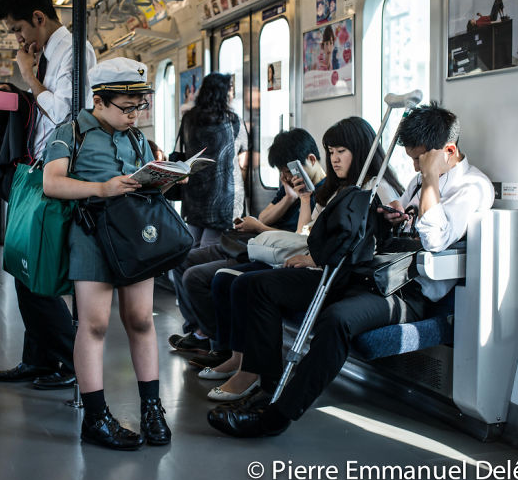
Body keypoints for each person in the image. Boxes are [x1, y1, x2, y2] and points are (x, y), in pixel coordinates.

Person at [207, 104, 494, 437]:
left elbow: (434, 239)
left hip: (407, 292)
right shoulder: (419, 180)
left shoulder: (472, 188)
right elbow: (405, 226)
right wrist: (393, 216)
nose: (415, 167)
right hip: (374, 274)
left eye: (420, 160)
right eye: (413, 160)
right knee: (257, 287)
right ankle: (268, 390)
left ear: (448, 151)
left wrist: (430, 178)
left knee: (338, 319)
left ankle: (275, 417)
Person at [201, 117, 403, 401]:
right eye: (330, 152)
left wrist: (312, 258)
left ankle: (256, 376)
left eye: (341, 151)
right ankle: (257, 373)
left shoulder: (376, 188)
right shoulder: (337, 188)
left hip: (340, 276)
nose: (334, 159)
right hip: (321, 266)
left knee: (253, 286)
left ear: (360, 150)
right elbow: (312, 233)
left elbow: (361, 246)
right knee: (247, 284)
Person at [43, 57, 170, 450]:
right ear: (99, 101)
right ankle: (96, 417)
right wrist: (102, 189)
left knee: (140, 320)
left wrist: (161, 177)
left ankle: (151, 408)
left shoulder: (137, 139)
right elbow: (52, 184)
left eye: (138, 108)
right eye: (126, 109)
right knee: (94, 324)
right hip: (91, 235)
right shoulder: (71, 133)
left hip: (134, 237)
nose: (134, 116)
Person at [0, 0, 95, 390]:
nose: (17, 38)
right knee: (22, 263)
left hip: (60, 170)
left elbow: (69, 114)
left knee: (40, 268)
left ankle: (69, 361)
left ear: (38, 17)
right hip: (35, 168)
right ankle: (37, 357)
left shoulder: (74, 50)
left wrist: (29, 78)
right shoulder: (46, 53)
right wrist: (17, 90)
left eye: (18, 28)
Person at [167, 128, 325, 357]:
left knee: (201, 277)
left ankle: (216, 342)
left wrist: (300, 201)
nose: (288, 176)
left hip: (274, 252)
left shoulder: (318, 193)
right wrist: (289, 197)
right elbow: (264, 217)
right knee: (182, 259)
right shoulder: (292, 189)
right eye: (284, 171)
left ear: (310, 160)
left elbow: (301, 238)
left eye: (289, 169)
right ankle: (200, 330)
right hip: (255, 243)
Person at [179, 72, 249, 249]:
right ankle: (200, 277)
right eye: (231, 89)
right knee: (210, 248)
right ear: (224, 93)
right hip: (224, 195)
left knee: (192, 243)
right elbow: (243, 159)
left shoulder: (188, 119)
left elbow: (182, 150)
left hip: (194, 193)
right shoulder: (233, 121)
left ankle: (185, 275)